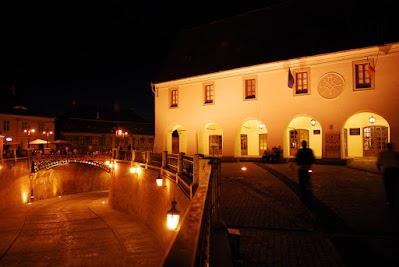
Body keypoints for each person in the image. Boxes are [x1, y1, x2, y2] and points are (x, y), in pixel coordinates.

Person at [377, 143, 399, 208]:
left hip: (387, 171)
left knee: (388, 186)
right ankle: (395, 199)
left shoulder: (382, 153)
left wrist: (380, 171)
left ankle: (389, 201)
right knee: (395, 186)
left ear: (386, 147)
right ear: (392, 147)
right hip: (395, 171)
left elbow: (378, 163)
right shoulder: (396, 153)